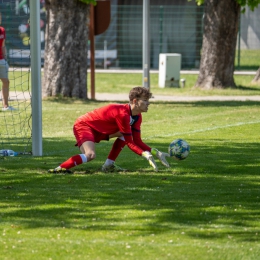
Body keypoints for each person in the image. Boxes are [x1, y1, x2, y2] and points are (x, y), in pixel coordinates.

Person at [48, 86, 170, 173]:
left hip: (101, 131)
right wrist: (144, 154)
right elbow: (129, 142)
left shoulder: (137, 117)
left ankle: (108, 165)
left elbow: (136, 140)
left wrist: (155, 152)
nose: (148, 103)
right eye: (145, 100)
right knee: (90, 155)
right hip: (84, 125)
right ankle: (60, 169)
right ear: (135, 101)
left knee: (125, 134)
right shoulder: (123, 114)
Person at [0, 12, 14, 111]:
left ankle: (6, 106)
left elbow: (3, 45)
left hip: (1, 60)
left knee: (6, 81)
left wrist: (5, 58)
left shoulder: (2, 30)